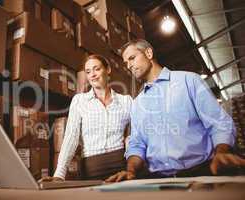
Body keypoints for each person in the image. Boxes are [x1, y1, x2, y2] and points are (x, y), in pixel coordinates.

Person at [106, 39, 245, 182]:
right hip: (158, 180)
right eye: (126, 63)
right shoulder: (137, 103)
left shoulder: (189, 81)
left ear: (148, 53)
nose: (129, 65)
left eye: (132, 58)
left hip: (200, 174)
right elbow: (137, 144)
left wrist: (221, 152)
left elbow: (219, 123)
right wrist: (130, 170)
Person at [45, 54, 132, 181]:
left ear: (108, 70)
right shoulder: (79, 101)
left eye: (97, 69)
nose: (93, 74)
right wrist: (59, 175)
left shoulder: (126, 101)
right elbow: (71, 137)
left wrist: (130, 169)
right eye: (88, 71)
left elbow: (135, 137)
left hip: (120, 167)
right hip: (91, 169)